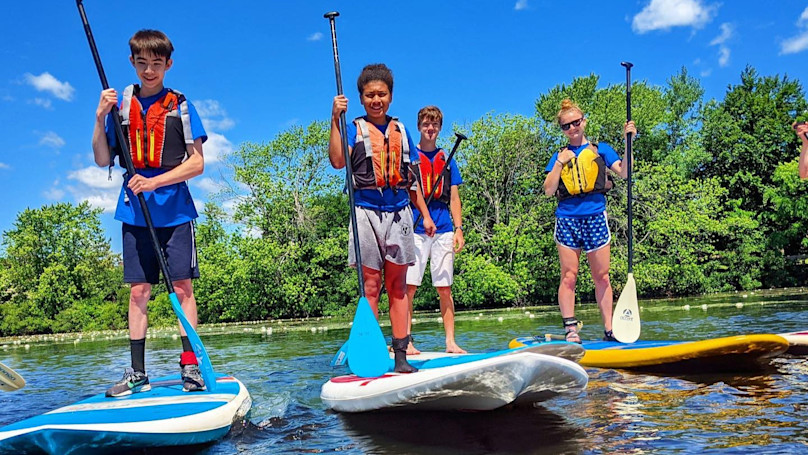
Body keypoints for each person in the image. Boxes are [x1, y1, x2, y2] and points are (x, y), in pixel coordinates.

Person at [92, 30, 208, 396]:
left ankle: (190, 366)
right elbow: (101, 159)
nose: (149, 70)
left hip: (175, 212)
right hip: (135, 212)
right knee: (139, 290)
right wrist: (100, 116)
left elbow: (197, 164)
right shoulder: (121, 108)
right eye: (142, 63)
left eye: (156, 64)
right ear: (132, 62)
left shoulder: (181, 106)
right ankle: (137, 373)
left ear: (168, 64)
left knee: (182, 287)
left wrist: (154, 182)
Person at [329, 63, 436, 373]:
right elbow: (338, 161)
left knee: (398, 286)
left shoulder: (401, 131)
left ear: (390, 96)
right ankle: (371, 356)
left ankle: (401, 356)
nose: (376, 100)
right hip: (365, 211)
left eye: (382, 94)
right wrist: (334, 119)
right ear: (361, 99)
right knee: (371, 286)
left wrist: (425, 215)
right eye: (369, 95)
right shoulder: (353, 127)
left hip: (399, 211)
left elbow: (412, 182)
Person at [542, 99, 637, 343]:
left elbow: (625, 172)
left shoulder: (600, 149)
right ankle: (570, 329)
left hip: (595, 216)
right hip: (567, 219)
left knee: (602, 276)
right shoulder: (558, 155)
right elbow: (549, 190)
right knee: (569, 275)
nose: (572, 128)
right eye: (566, 126)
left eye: (575, 123)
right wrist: (560, 163)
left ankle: (610, 329)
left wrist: (628, 143)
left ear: (583, 122)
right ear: (562, 129)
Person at [405, 106, 466, 354]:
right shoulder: (411, 159)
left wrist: (459, 228)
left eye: (435, 125)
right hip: (416, 227)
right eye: (426, 124)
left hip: (443, 228)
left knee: (444, 287)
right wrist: (425, 217)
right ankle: (405, 340)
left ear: (439, 128)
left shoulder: (448, 161)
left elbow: (454, 197)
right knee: (409, 286)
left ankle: (450, 341)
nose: (430, 129)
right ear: (419, 126)